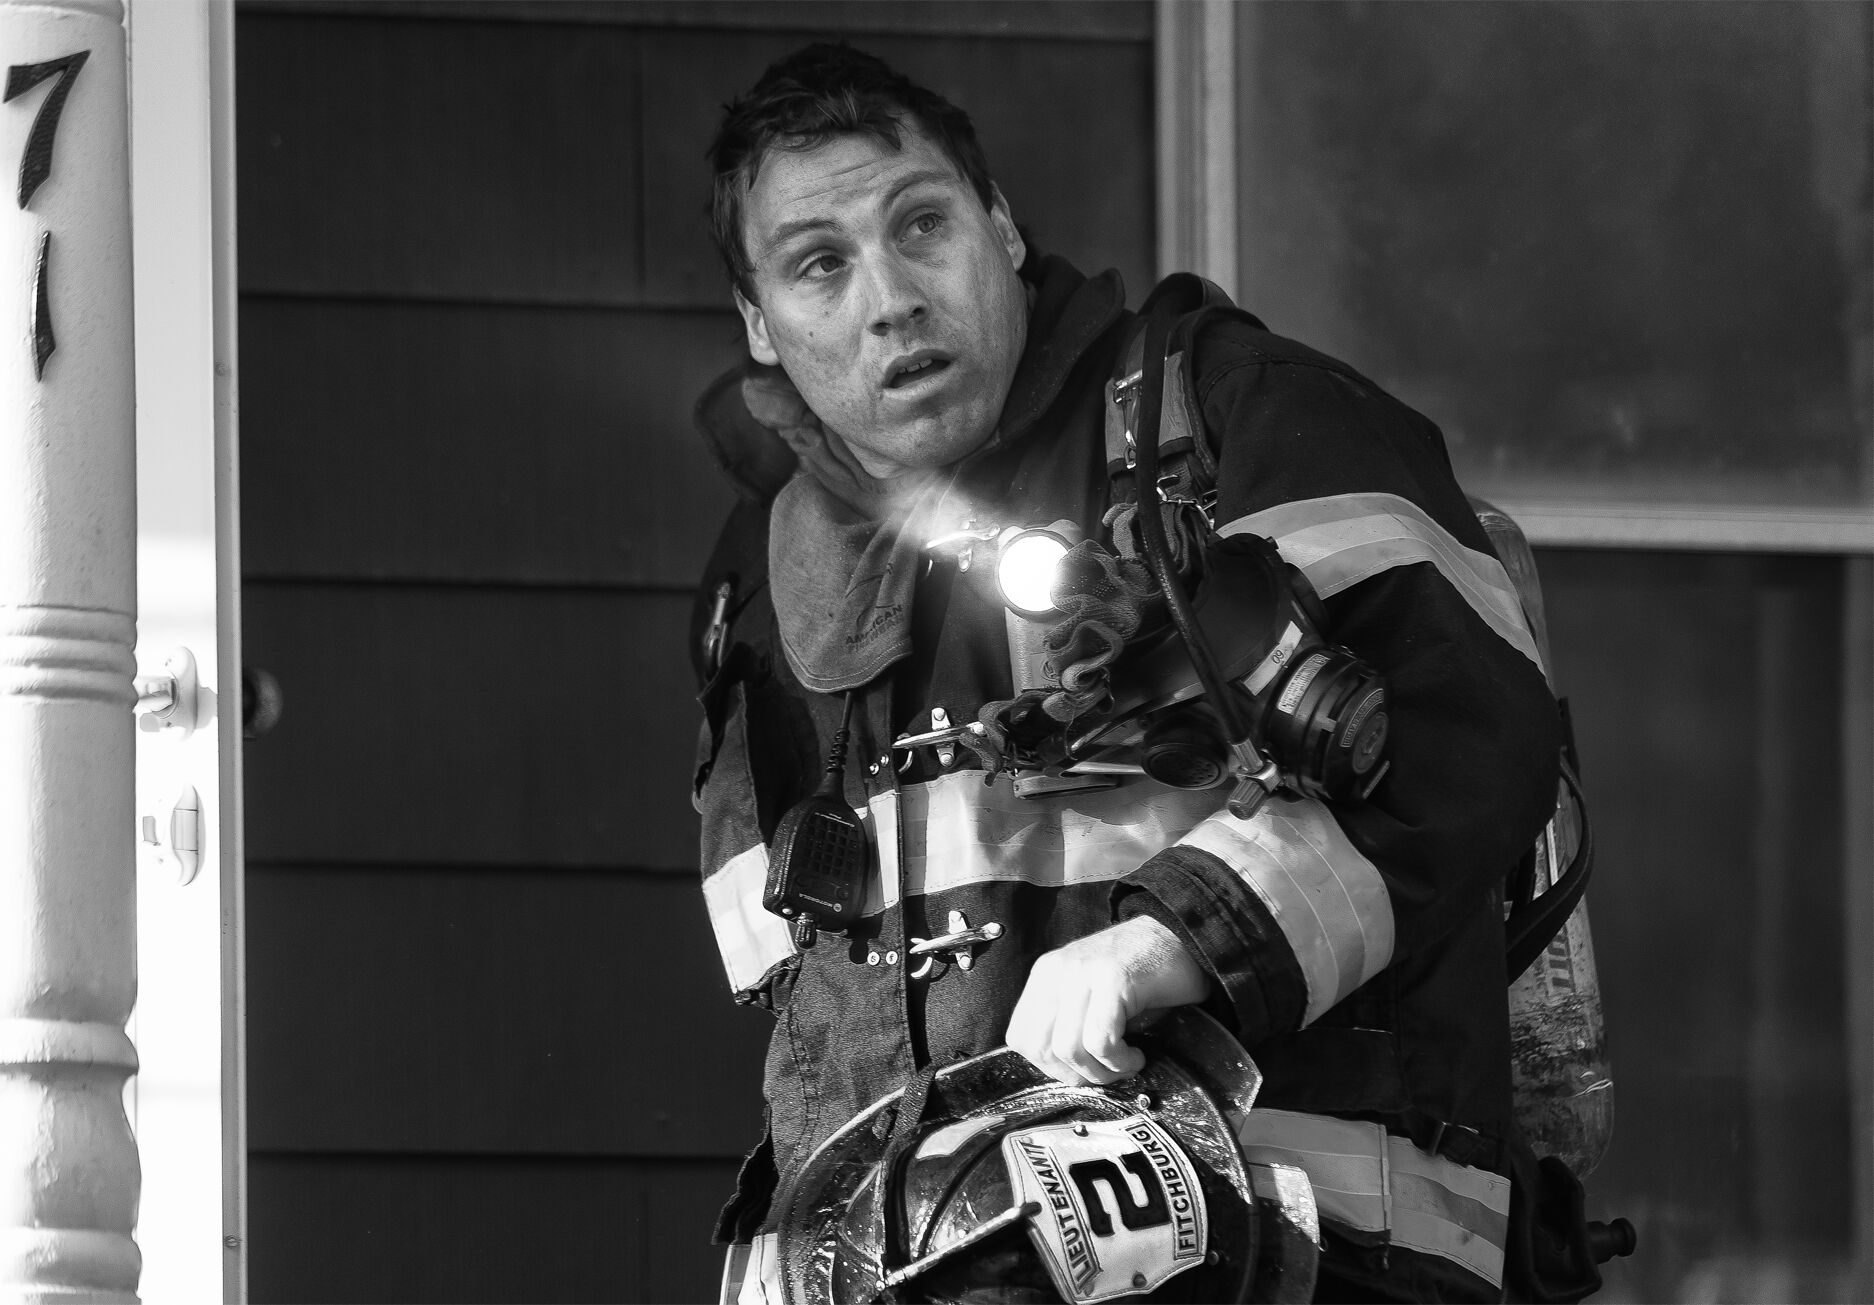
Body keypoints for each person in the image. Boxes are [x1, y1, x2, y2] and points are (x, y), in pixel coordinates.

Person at [689, 41, 1566, 1304]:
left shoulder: (1232, 421)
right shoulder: (761, 595)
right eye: (820, 264)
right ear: (761, 327)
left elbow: (1462, 731)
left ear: (998, 227)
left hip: (1308, 1269)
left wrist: (1169, 947)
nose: (889, 298)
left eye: (920, 224)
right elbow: (812, 1030)